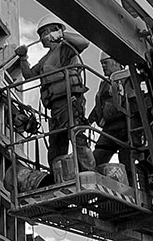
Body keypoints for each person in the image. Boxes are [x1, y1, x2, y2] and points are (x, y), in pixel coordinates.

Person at [22, 21, 90, 169]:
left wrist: (62, 34)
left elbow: (84, 43)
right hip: (55, 106)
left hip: (70, 100)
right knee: (56, 143)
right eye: (41, 34)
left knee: (76, 135)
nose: (42, 38)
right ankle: (57, 173)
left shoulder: (66, 48)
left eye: (44, 33)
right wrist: (23, 58)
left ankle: (87, 170)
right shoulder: (44, 60)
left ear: (52, 32)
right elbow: (29, 75)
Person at [89, 57, 131, 169]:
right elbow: (98, 105)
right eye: (101, 63)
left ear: (116, 62)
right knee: (97, 159)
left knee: (127, 162)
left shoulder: (128, 79)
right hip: (109, 129)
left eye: (105, 63)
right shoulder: (105, 84)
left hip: (126, 127)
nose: (103, 66)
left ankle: (129, 178)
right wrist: (88, 121)